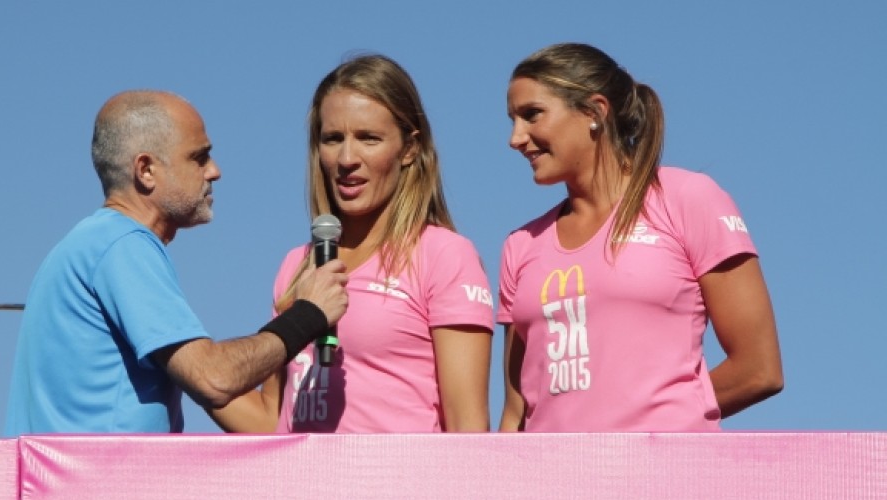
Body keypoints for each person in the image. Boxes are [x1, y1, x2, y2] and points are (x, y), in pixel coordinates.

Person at [4, 90, 349, 434]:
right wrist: (309, 314)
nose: (214, 171)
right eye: (199, 158)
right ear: (146, 170)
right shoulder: (123, 245)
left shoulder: (89, 243)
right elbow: (212, 378)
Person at [498, 43, 783, 432]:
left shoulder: (687, 199)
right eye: (513, 120)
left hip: (668, 478)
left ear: (595, 111)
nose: (516, 138)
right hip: (552, 482)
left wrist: (655, 427)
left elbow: (759, 369)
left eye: (532, 115)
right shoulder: (521, 245)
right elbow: (516, 415)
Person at [215, 55, 494, 433]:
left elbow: (468, 427)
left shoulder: (443, 254)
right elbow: (271, 420)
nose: (347, 159)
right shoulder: (296, 264)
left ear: (409, 148)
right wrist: (179, 357)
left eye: (368, 138)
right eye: (333, 139)